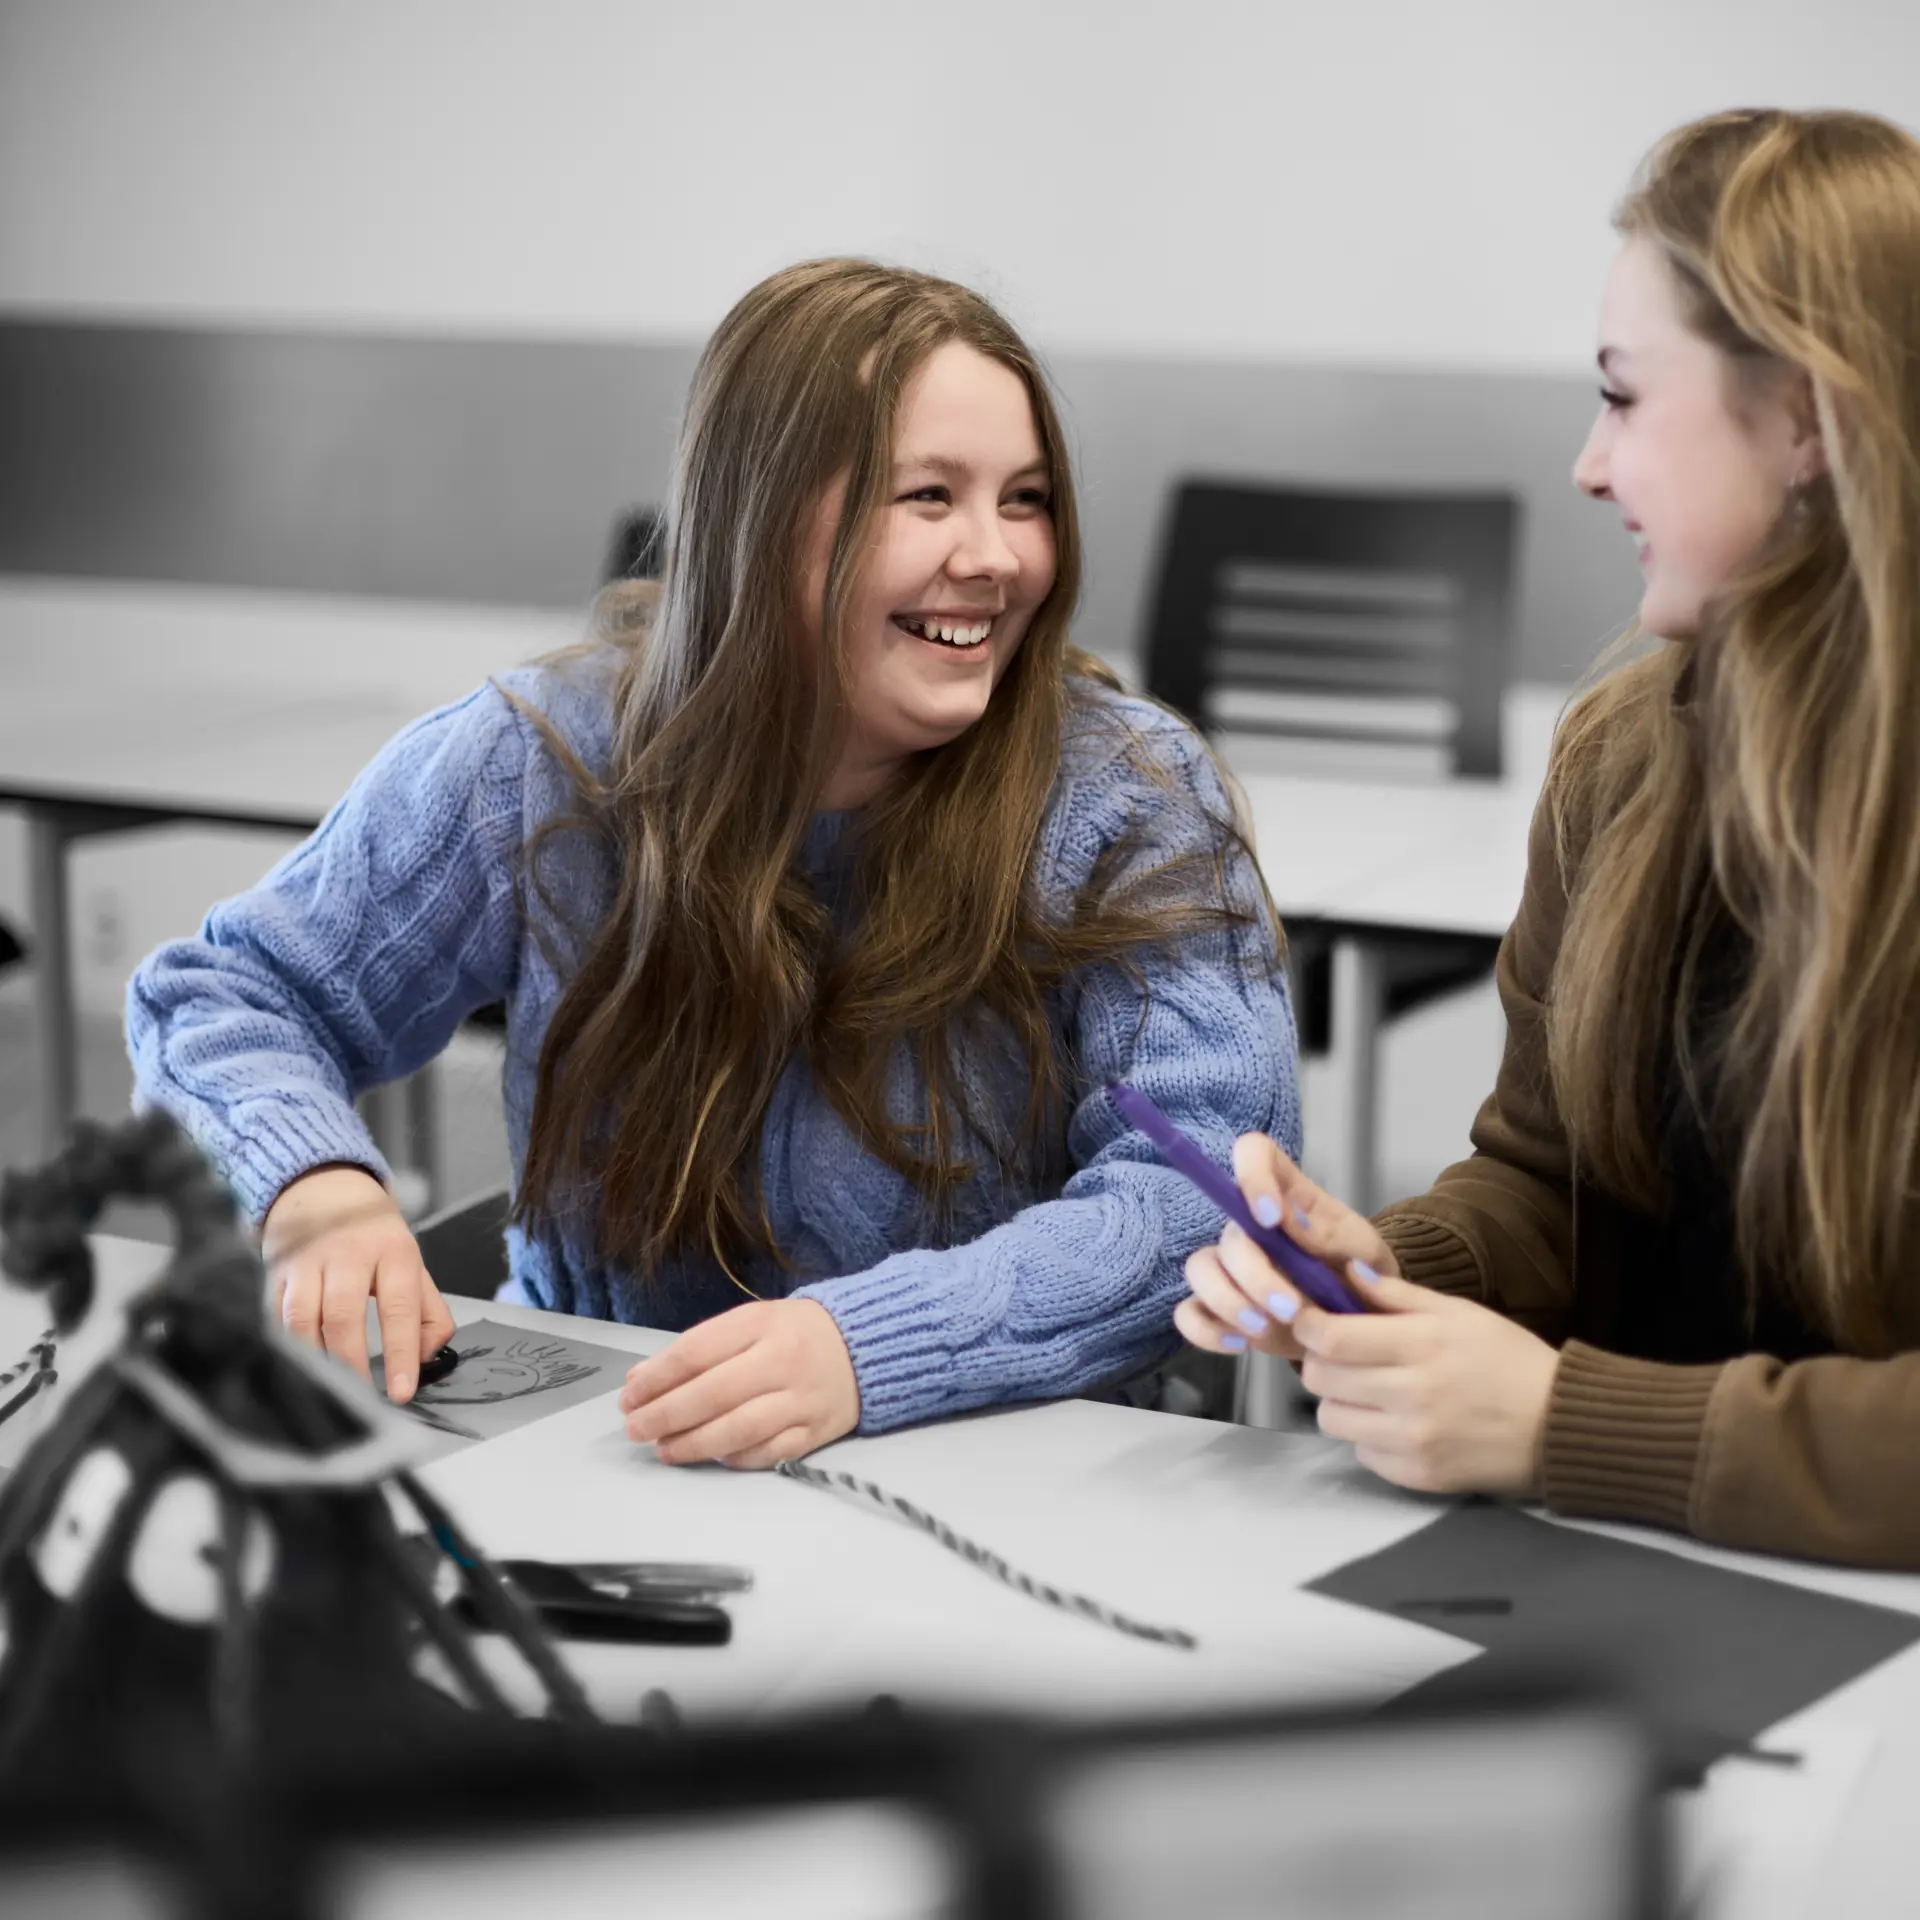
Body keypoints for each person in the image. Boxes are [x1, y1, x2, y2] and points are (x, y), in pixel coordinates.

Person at [127, 258, 1299, 1467]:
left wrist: (873, 1348)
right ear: (760, 518)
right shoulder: (541, 759)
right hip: (611, 1454)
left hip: (1019, 1463)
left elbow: (1199, 1195)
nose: (996, 556)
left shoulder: (1128, 794)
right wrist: (314, 1190)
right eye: (928, 496)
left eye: (1027, 499)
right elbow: (227, 994)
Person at [1179, 107, 1920, 1569]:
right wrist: (1389, 1264)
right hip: (1645, 1578)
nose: (1589, 466)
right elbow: (1558, 1185)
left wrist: (1561, 1423)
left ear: (1810, 424)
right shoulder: (1623, 761)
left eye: (1627, 399)